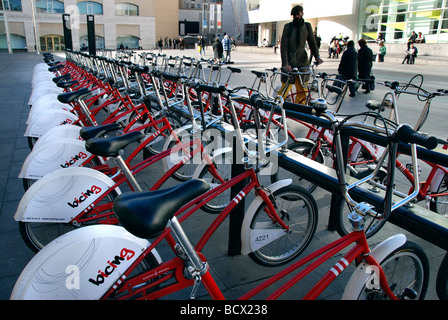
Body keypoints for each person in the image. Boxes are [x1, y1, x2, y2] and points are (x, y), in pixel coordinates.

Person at [280, 5, 323, 103]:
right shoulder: (288, 27)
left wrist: (317, 57)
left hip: (302, 61)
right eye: (294, 15)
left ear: (302, 13)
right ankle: (275, 109)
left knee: (303, 89)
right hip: (289, 61)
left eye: (298, 14)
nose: (296, 17)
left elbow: (312, 43)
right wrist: (286, 63)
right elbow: (284, 47)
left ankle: (299, 109)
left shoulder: (307, 26)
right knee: (285, 88)